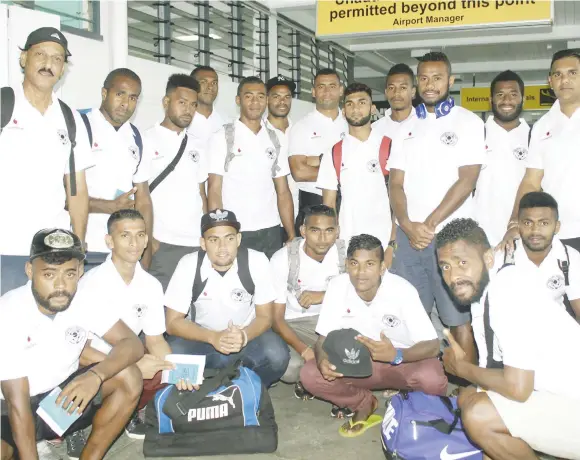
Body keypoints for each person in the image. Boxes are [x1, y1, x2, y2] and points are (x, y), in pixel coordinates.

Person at [436, 218, 580, 460]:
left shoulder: (507, 294)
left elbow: (517, 388)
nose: (454, 277)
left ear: (488, 259)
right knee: (469, 398)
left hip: (571, 401)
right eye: (446, 267)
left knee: (478, 414)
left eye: (462, 262)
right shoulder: (484, 290)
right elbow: (494, 374)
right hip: (558, 393)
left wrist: (463, 368)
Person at [0, 228, 144, 460]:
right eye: (49, 274)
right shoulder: (8, 312)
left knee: (129, 375)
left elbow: (132, 344)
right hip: (8, 411)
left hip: (58, 401)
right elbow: (17, 406)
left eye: (69, 274)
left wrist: (96, 376)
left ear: (79, 271)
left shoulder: (84, 299)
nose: (60, 285)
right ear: (30, 271)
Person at [301, 234, 447, 437]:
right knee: (310, 374)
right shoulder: (337, 286)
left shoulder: (402, 290)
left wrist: (396, 354)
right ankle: (363, 402)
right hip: (354, 363)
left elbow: (432, 345)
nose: (361, 272)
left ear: (382, 268)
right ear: (346, 265)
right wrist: (323, 359)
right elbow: (322, 340)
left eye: (369, 264)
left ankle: (411, 402)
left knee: (432, 378)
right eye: (354, 263)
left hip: (401, 362)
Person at [389, 51, 484, 361]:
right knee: (408, 318)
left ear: (450, 81)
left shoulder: (468, 122)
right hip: (409, 238)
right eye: (425, 78)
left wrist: (427, 225)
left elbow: (467, 179)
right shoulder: (404, 128)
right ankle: (416, 387)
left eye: (438, 78)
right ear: (418, 83)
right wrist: (406, 224)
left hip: (449, 237)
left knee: (457, 319)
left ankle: (467, 388)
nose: (430, 84)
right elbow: (395, 184)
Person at [0, 27, 93, 295]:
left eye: (57, 59)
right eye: (40, 54)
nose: (48, 64)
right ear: (23, 58)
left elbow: (77, 190)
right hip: (5, 249)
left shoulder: (71, 118)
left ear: (63, 68)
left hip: (53, 253)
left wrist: (79, 246)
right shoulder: (4, 103)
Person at [78, 209, 175, 442]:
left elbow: (155, 339)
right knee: (126, 372)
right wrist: (128, 365)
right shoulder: (89, 284)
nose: (135, 243)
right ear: (109, 241)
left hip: (128, 357)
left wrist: (178, 370)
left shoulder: (151, 285)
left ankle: (129, 410)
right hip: (89, 362)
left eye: (141, 235)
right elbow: (79, 351)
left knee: (165, 370)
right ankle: (76, 426)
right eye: (125, 236)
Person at [164, 209, 290, 388]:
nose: (222, 247)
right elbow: (173, 322)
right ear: (203, 243)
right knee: (172, 355)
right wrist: (212, 337)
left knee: (276, 355)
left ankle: (249, 391)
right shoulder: (188, 264)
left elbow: (265, 317)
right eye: (214, 240)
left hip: (245, 335)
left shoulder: (257, 261)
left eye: (229, 238)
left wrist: (244, 336)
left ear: (238, 239)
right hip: (202, 336)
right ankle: (199, 394)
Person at [501, 49, 580, 254]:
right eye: (558, 74)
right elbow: (531, 181)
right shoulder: (542, 126)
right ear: (550, 81)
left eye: (573, 73)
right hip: (557, 233)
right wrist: (514, 223)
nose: (565, 80)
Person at [207, 76, 295, 258]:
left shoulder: (276, 138)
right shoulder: (222, 137)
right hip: (236, 230)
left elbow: (283, 191)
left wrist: (291, 232)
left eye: (261, 96)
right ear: (238, 100)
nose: (256, 102)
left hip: (271, 230)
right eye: (249, 96)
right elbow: (214, 190)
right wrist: (219, 231)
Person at [270, 205, 345, 399]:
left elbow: (368, 294)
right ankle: (309, 379)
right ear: (303, 231)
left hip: (335, 322)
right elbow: (276, 320)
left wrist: (325, 295)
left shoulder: (345, 254)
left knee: (355, 354)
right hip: (295, 323)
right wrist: (305, 351)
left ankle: (318, 379)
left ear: (337, 231)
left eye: (329, 231)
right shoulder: (282, 259)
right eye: (315, 231)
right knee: (290, 368)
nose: (322, 238)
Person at [81, 68, 153, 270]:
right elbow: (62, 193)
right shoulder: (80, 125)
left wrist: (144, 250)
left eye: (133, 97)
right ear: (105, 93)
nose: (125, 103)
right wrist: (107, 206)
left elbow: (144, 199)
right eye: (120, 94)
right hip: (85, 247)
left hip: (123, 253)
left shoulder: (136, 137)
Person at [145, 74, 208, 290]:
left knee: (192, 311)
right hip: (162, 244)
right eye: (182, 103)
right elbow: (138, 195)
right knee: (160, 313)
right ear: (166, 102)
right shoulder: (145, 140)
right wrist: (148, 238)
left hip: (195, 243)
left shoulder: (199, 145)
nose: (188, 110)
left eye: (193, 105)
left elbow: (202, 193)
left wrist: (206, 235)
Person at [317, 82, 394, 255]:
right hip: (347, 242)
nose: (355, 108)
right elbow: (329, 205)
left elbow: (400, 198)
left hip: (384, 241)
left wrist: (393, 244)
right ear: (343, 112)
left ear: (373, 108)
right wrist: (334, 242)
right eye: (350, 104)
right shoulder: (334, 152)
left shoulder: (389, 146)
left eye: (362, 102)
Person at [496, 192, 580, 320]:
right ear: (518, 226)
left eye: (544, 223)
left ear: (557, 227)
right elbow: (484, 313)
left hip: (557, 333)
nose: (535, 230)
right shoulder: (501, 257)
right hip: (510, 334)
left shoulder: (570, 258)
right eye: (528, 223)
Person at [473, 70, 531, 247]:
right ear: (490, 100)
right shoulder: (475, 135)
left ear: (523, 99)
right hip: (480, 236)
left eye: (513, 94)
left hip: (523, 235)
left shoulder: (534, 137)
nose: (507, 100)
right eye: (500, 95)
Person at [288, 69, 348, 233]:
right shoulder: (302, 126)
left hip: (350, 201)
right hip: (314, 201)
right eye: (321, 87)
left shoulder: (351, 123)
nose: (327, 91)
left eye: (332, 86)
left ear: (341, 90)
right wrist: (345, 169)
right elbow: (299, 172)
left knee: (348, 254)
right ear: (314, 92)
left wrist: (316, 161)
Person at [264, 76, 299, 229]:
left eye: (287, 97)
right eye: (276, 96)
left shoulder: (299, 130)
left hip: (299, 212)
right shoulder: (259, 132)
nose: (282, 101)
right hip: (269, 217)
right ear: (267, 99)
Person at [371, 63, 416, 138]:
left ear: (413, 92)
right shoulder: (375, 130)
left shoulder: (425, 125)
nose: (396, 92)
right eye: (391, 88)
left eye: (403, 88)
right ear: (386, 92)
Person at [188, 65, 225, 145]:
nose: (210, 87)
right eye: (203, 82)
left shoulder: (225, 124)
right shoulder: (183, 123)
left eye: (214, 83)